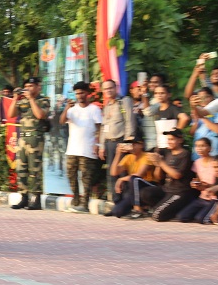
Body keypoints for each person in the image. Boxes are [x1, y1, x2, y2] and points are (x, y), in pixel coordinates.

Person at [59, 81, 103, 213]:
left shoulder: (94, 109)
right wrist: (66, 108)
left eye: (82, 93)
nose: (79, 95)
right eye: (77, 93)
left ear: (87, 93)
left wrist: (98, 144)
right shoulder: (72, 110)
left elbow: (100, 128)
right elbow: (61, 122)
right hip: (72, 149)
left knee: (86, 177)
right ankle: (76, 200)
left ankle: (85, 204)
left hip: (88, 149)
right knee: (71, 175)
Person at [8, 77, 51, 210]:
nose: (28, 89)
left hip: (35, 138)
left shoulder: (43, 100)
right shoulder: (22, 101)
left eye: (31, 86)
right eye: (26, 86)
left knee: (35, 170)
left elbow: (40, 115)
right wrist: (15, 98)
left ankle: (36, 199)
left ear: (38, 87)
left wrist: (32, 99)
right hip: (23, 138)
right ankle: (24, 197)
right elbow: (11, 114)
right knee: (21, 169)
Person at [98, 79, 135, 198]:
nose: (108, 91)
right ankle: (115, 200)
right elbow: (104, 127)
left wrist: (127, 142)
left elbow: (130, 122)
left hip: (121, 141)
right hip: (109, 143)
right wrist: (102, 146)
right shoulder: (107, 105)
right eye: (106, 89)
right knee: (111, 173)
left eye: (110, 88)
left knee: (122, 171)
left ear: (116, 88)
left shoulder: (124, 101)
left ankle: (125, 201)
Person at [149, 129, 196, 222]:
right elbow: (158, 178)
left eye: (172, 139)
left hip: (179, 192)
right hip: (167, 189)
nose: (169, 142)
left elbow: (177, 175)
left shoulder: (185, 154)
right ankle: (166, 208)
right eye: (168, 139)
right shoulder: (168, 154)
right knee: (146, 193)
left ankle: (178, 209)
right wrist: (158, 165)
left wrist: (161, 163)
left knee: (157, 216)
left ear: (180, 140)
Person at [104, 137, 158, 218]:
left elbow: (139, 175)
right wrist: (118, 154)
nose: (131, 146)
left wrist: (121, 179)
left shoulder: (147, 156)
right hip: (135, 190)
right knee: (117, 212)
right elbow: (113, 172)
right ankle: (132, 208)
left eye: (134, 144)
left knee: (134, 179)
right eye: (129, 144)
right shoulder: (128, 157)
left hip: (148, 186)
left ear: (141, 145)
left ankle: (138, 210)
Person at [174, 138, 218, 224]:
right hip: (202, 197)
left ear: (210, 148)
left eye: (203, 146)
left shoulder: (216, 162)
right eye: (197, 146)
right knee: (182, 217)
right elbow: (198, 179)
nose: (199, 149)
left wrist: (207, 186)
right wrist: (195, 184)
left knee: (201, 219)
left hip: (214, 198)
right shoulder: (197, 163)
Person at [141, 84, 190, 153]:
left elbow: (184, 118)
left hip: (171, 146)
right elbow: (147, 111)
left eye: (162, 93)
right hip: (160, 145)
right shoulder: (157, 109)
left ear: (169, 95)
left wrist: (175, 133)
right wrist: (144, 93)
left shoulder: (173, 108)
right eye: (156, 93)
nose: (159, 95)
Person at [188, 87, 218, 161]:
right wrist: (195, 121)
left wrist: (202, 117)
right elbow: (191, 133)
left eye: (206, 97)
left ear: (212, 97)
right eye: (200, 98)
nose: (203, 99)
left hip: (214, 154)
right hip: (198, 155)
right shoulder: (196, 112)